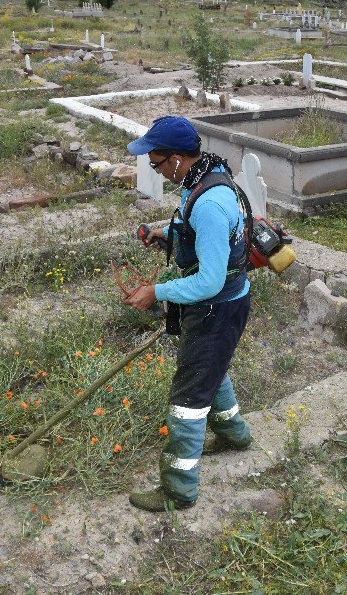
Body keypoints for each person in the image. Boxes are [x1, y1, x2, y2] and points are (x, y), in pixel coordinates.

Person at [121, 116, 253, 512]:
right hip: (220, 307)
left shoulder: (210, 203)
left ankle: (179, 490)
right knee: (212, 369)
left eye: (156, 162)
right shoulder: (204, 175)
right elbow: (202, 237)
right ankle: (234, 435)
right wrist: (166, 234)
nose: (154, 168)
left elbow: (210, 281)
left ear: (177, 158)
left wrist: (155, 291)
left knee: (189, 397)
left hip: (217, 307)